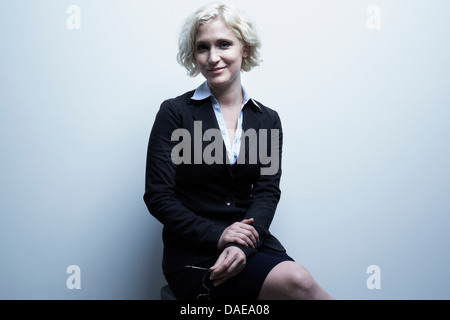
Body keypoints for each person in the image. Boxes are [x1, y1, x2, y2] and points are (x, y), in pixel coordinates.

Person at [143, 2, 333, 300]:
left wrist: (241, 245)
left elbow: (266, 192)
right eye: (202, 47)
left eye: (223, 44)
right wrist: (219, 236)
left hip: (252, 244)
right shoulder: (175, 113)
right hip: (194, 253)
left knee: (300, 282)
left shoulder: (267, 119)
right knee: (298, 282)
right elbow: (158, 196)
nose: (213, 57)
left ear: (244, 48)